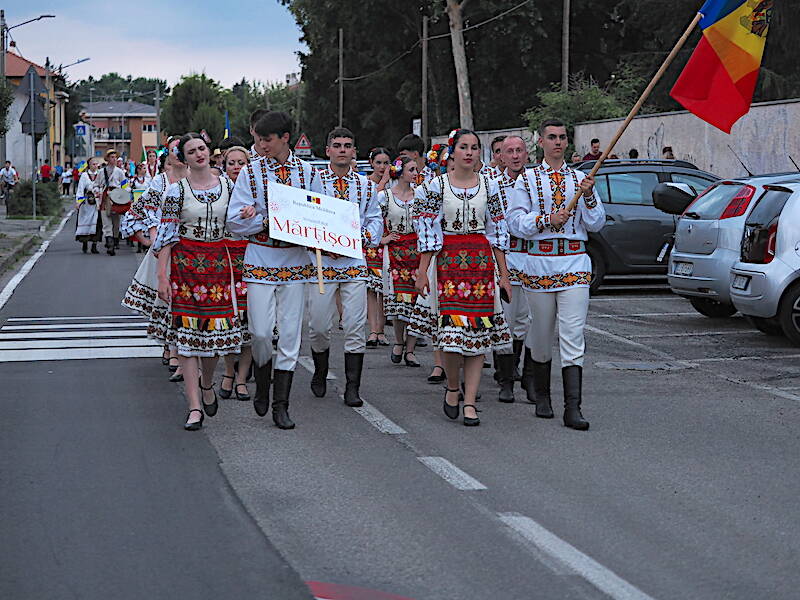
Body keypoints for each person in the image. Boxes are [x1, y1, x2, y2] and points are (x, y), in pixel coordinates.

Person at [409, 129, 512, 427]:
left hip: (480, 264)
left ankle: (470, 401)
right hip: (448, 264)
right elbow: (428, 233)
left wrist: (504, 275)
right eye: (463, 147)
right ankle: (453, 387)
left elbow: (497, 234)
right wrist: (421, 271)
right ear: (451, 152)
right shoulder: (434, 187)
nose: (469, 152)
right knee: (451, 337)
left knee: (478, 335)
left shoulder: (490, 187)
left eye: (474, 148)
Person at [507, 119, 605, 430]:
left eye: (562, 137)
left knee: (573, 335)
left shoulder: (581, 179)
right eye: (552, 137)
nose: (558, 142)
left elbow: (597, 223)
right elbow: (515, 221)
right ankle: (543, 395)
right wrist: (547, 219)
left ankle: (573, 407)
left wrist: (588, 197)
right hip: (539, 263)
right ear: (540, 142)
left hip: (575, 263)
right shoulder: (527, 180)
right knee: (541, 333)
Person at [227, 110, 320, 430]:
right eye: (258, 139)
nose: (261, 145)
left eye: (267, 139)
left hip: (295, 261)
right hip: (260, 258)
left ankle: (281, 404)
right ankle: (262, 384)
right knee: (261, 332)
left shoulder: (309, 173)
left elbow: (320, 215)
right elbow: (234, 221)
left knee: (291, 335)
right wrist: (262, 220)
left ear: (284, 139)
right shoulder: (249, 173)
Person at [154, 133, 242, 431]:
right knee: (187, 339)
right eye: (191, 151)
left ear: (209, 151)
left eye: (202, 148)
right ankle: (194, 406)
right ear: (184, 157)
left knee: (215, 339)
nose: (199, 154)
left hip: (218, 265)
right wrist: (162, 277)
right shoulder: (176, 192)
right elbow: (166, 236)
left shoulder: (229, 186)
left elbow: (240, 223)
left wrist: (250, 213)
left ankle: (207, 383)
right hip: (185, 266)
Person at [307, 127, 382, 408]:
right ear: (327, 150)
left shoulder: (365, 185)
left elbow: (374, 218)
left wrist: (366, 236)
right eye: (336, 145)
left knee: (354, 325)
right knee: (317, 326)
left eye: (347, 145)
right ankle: (320, 368)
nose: (342, 149)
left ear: (354, 152)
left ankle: (353, 387)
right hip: (321, 263)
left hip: (353, 263)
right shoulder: (313, 182)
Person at [121, 135, 187, 380]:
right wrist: (147, 240)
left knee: (186, 303)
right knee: (167, 302)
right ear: (167, 155)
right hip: (164, 252)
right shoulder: (160, 183)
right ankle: (171, 348)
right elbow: (134, 213)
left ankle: (184, 352)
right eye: (174, 150)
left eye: (183, 150)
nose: (179, 155)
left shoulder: (199, 179)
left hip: (191, 252)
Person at [493, 135, 532, 401]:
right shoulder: (492, 186)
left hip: (530, 258)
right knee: (503, 321)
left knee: (524, 321)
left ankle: (518, 369)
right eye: (510, 151)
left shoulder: (534, 183)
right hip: (503, 259)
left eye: (520, 150)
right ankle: (504, 379)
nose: (515, 156)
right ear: (501, 157)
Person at [217, 145, 254, 402]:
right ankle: (229, 372)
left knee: (252, 321)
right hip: (224, 260)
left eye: (241, 162)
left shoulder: (256, 190)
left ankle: (242, 378)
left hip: (252, 258)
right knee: (228, 320)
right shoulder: (217, 190)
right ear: (224, 165)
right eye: (232, 163)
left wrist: (255, 214)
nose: (236, 167)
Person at [381, 156, 421, 367]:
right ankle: (398, 341)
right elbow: (372, 218)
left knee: (415, 300)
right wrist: (382, 238)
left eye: (416, 169)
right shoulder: (386, 196)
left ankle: (411, 349)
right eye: (411, 169)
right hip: (396, 253)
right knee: (399, 300)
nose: (415, 173)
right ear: (401, 172)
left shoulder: (420, 195)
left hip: (416, 251)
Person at [365, 147, 391, 348]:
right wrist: (383, 183)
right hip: (373, 241)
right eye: (379, 163)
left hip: (392, 242)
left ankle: (382, 330)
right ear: (372, 163)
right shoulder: (366, 184)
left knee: (385, 289)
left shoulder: (399, 183)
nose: (382, 167)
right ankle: (374, 330)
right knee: (372, 289)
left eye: (386, 163)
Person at [92, 149, 127, 255]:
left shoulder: (120, 172)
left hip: (117, 198)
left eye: (115, 157)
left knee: (116, 222)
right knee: (106, 222)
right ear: (107, 159)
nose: (114, 159)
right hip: (105, 197)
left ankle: (115, 240)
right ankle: (110, 245)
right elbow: (96, 185)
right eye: (112, 157)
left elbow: (125, 185)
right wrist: (97, 192)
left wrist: (124, 193)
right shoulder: (101, 172)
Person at [74, 157, 103, 254]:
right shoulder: (84, 175)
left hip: (97, 203)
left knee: (97, 223)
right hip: (86, 203)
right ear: (89, 165)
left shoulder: (100, 174)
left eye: (96, 164)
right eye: (93, 164)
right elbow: (81, 189)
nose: (95, 166)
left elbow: (102, 186)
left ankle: (94, 245)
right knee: (85, 222)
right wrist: (79, 202)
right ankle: (84, 243)